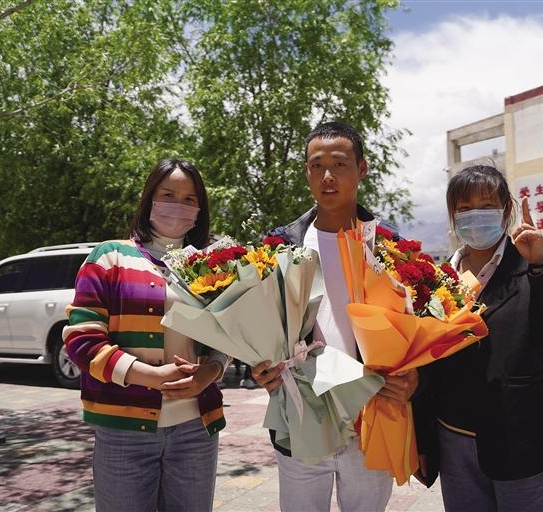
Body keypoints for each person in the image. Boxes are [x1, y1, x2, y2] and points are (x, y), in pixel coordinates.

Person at [250, 122, 418, 511]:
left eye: (339, 164)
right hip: (301, 415)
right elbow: (257, 326)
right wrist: (258, 366)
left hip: (371, 416)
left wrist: (415, 378)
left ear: (362, 168)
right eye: (317, 165)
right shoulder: (280, 246)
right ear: (306, 172)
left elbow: (416, 328)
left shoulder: (390, 247)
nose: (327, 176)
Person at [414, 165, 543, 511]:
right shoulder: (438, 280)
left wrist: (539, 266)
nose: (474, 215)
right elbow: (425, 363)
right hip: (454, 439)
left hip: (521, 437)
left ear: (506, 211)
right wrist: (419, 437)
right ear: (453, 215)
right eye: (464, 208)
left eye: (486, 206)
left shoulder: (531, 265)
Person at [63, 159, 229, 511]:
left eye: (189, 199)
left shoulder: (209, 265)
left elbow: (227, 336)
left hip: (195, 429)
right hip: (124, 431)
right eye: (168, 194)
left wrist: (211, 371)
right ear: (149, 198)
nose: (178, 205)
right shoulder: (109, 257)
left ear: (200, 209)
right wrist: (150, 377)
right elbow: (81, 340)